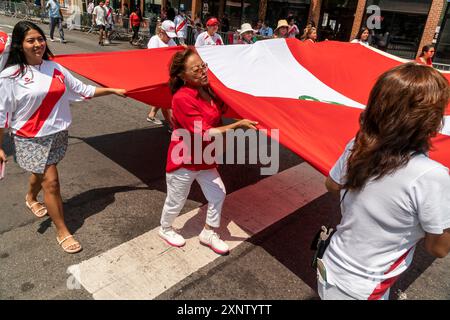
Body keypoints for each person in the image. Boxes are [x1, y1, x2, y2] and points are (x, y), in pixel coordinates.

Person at [320, 63, 450, 300]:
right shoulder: (432, 175)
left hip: (330, 263)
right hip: (364, 289)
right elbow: (438, 248)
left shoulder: (358, 144)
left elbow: (331, 185)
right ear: (429, 119)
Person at [0, 21, 126, 254]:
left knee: (41, 174)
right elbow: (2, 113)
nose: (37, 44)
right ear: (20, 44)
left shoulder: (54, 68)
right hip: (31, 137)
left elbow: (82, 90)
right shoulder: (11, 75)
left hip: (58, 133)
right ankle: (62, 230)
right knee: (52, 182)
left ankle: (30, 196)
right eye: (31, 40)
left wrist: (112, 89)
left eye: (40, 38)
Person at [158, 48, 258, 254]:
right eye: (196, 70)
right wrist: (236, 126)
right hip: (183, 160)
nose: (203, 71)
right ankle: (165, 228)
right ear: (182, 76)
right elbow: (203, 131)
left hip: (205, 159)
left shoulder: (209, 89)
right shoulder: (182, 98)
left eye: (203, 66)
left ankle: (209, 231)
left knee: (218, 194)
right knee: (176, 201)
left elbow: (224, 108)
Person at [146, 20, 177, 126]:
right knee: (165, 99)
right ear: (161, 32)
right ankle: (171, 125)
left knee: (163, 97)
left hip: (168, 74)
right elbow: (152, 58)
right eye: (168, 35)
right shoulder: (154, 40)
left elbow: (177, 54)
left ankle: (152, 114)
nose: (170, 38)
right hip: (157, 75)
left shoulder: (171, 42)